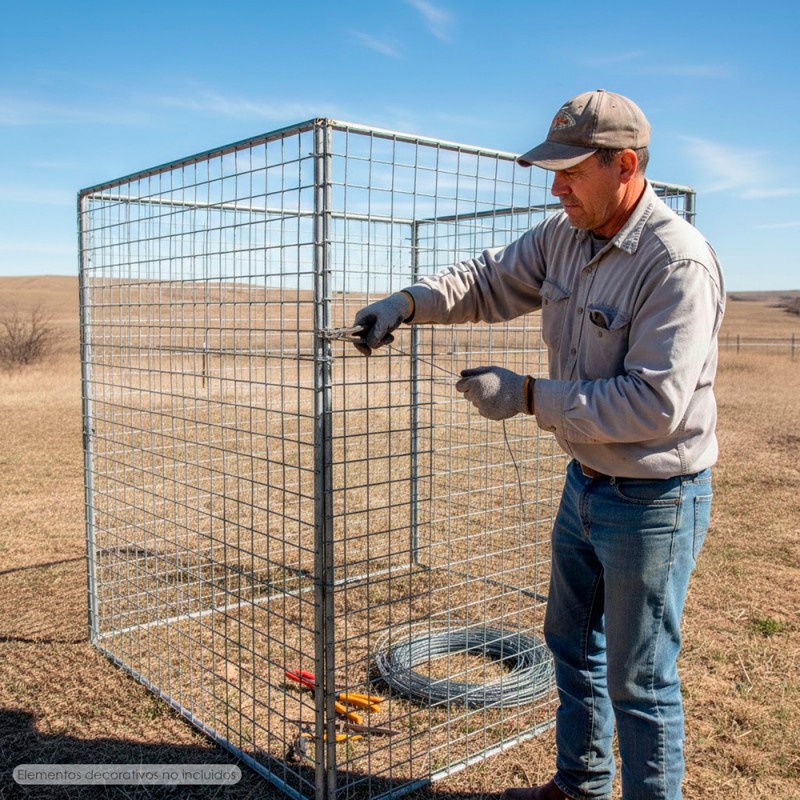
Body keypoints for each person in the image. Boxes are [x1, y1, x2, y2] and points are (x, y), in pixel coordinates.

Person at [350, 89, 725, 800]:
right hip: (586, 483)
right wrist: (408, 302)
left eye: (571, 172)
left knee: (640, 678)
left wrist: (527, 396)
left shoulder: (676, 263)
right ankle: (580, 786)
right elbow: (487, 279)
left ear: (624, 165)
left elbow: (654, 404)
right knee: (572, 647)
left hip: (655, 499)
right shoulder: (564, 236)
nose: (557, 189)